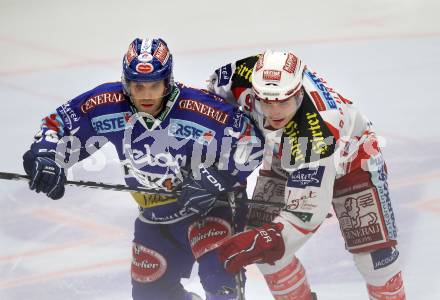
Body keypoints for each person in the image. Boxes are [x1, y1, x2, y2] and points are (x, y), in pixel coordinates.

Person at [22, 37, 264, 300]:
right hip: (154, 217)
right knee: (152, 295)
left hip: (211, 208)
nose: (147, 95)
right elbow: (58, 124)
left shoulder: (199, 108)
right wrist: (46, 157)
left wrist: (214, 179)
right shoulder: (106, 103)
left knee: (219, 283)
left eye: (154, 86)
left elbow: (251, 140)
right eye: (138, 86)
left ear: (167, 82)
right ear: (127, 84)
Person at [208, 51, 406, 300]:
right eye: (266, 103)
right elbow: (210, 103)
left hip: (353, 158)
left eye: (284, 102)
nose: (275, 112)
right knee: (267, 256)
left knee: (376, 260)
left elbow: (306, 215)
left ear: (299, 93)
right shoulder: (240, 74)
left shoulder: (316, 130)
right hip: (286, 152)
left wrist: (267, 239)